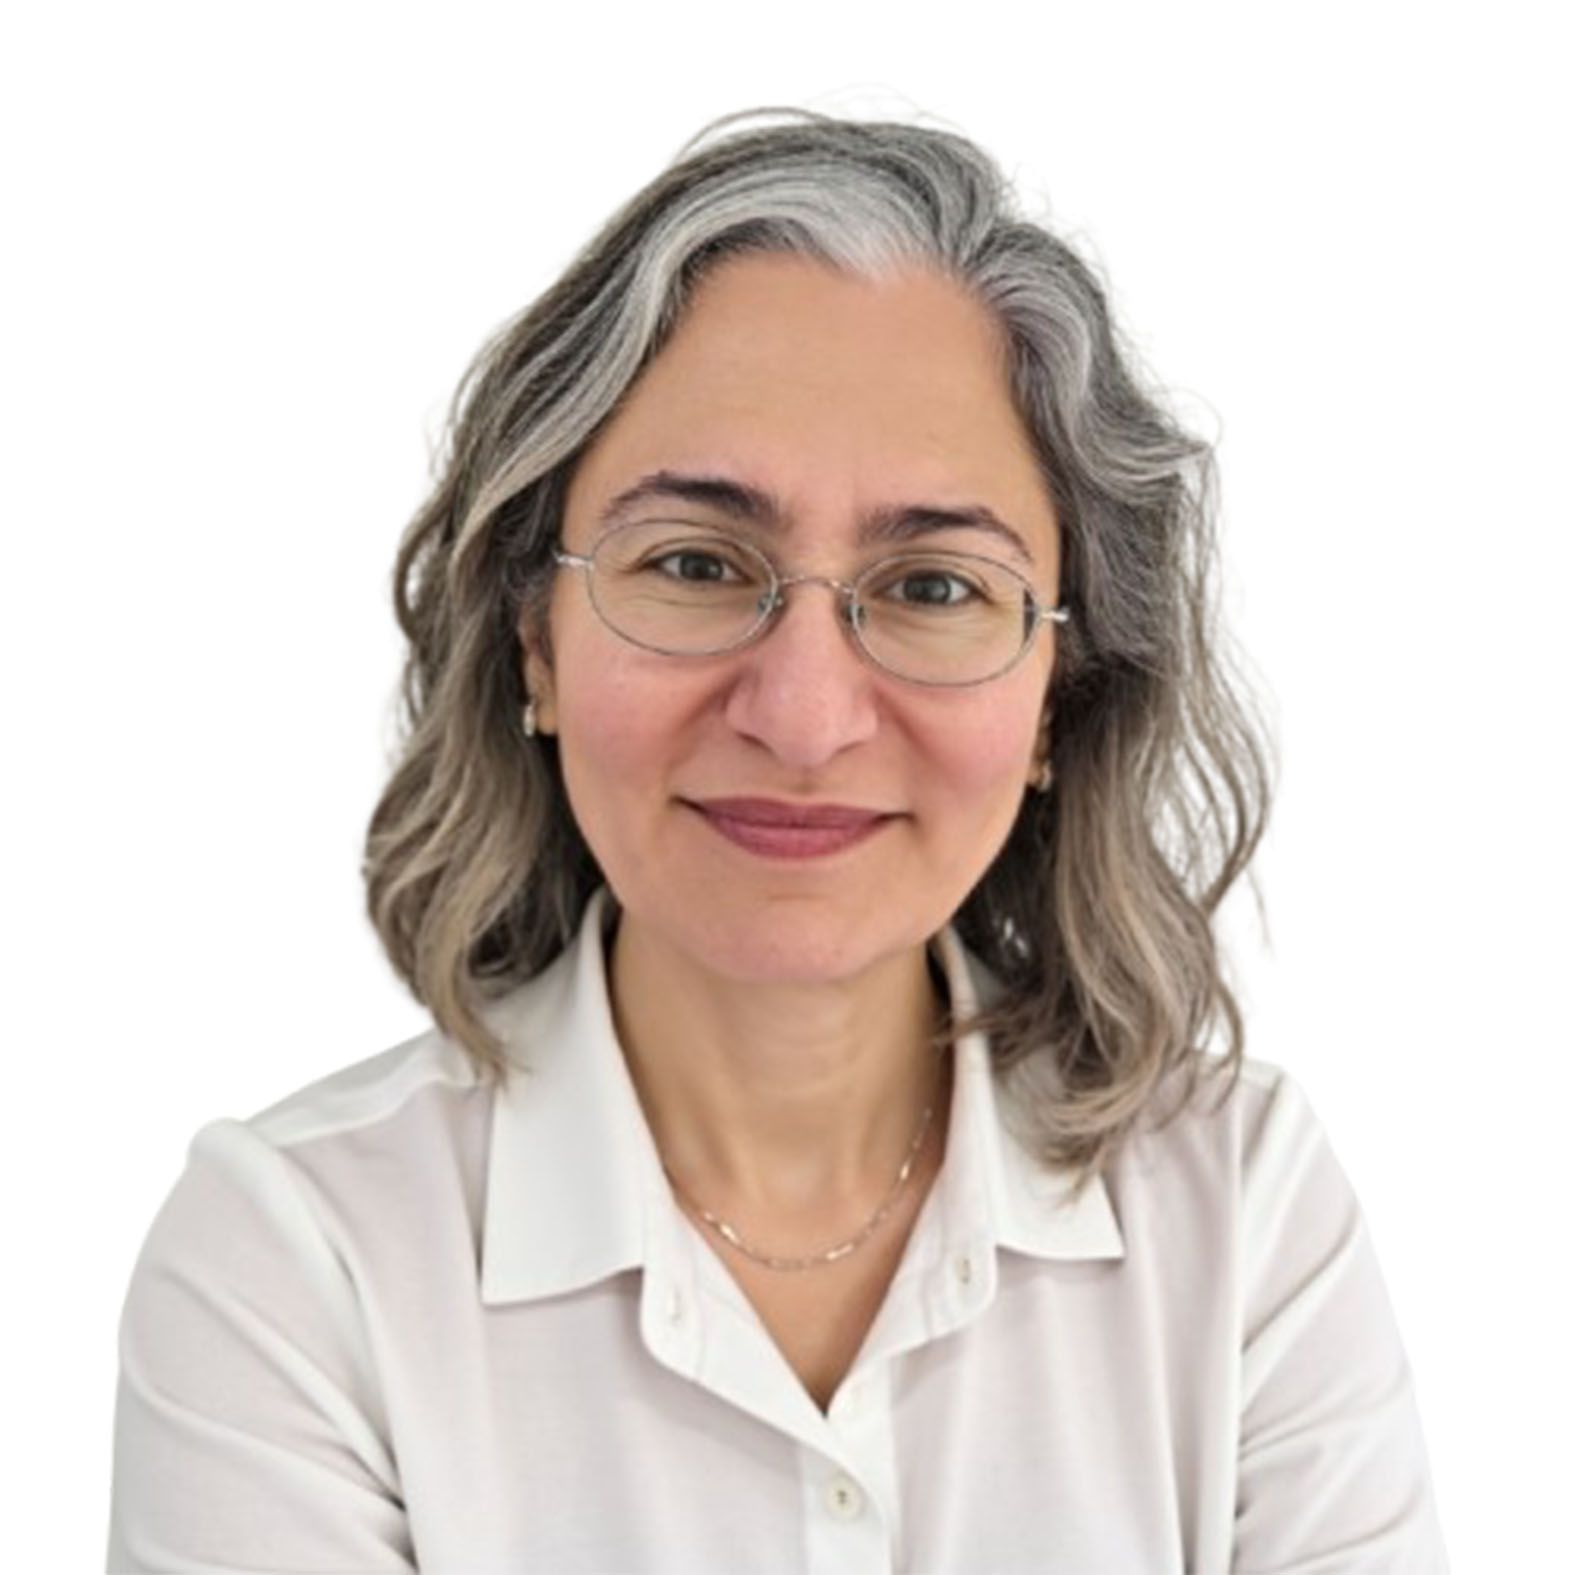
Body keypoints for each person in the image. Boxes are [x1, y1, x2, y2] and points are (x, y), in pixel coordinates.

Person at [105, 108, 1448, 1572]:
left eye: (935, 587)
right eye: (693, 564)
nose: (805, 717)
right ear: (534, 643)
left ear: (1063, 693)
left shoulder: (1243, 1212)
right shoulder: (296, 1261)